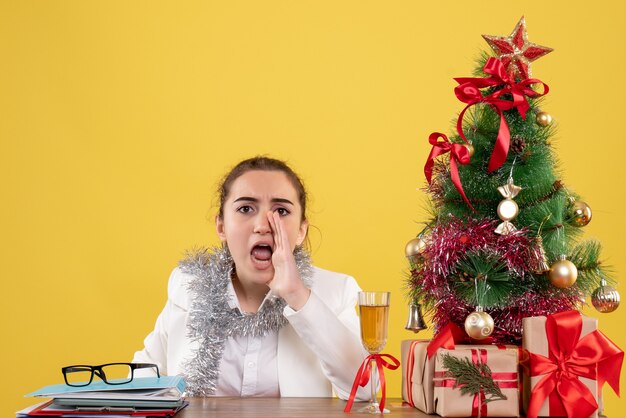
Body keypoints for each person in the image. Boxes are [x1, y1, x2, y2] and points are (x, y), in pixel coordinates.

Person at [132, 156, 369, 400]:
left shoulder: (336, 290)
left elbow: (366, 389)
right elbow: (145, 375)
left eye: (281, 211)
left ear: (300, 231)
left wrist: (298, 296)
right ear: (221, 226)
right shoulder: (187, 285)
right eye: (245, 209)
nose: (262, 225)